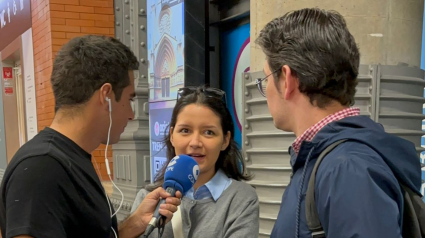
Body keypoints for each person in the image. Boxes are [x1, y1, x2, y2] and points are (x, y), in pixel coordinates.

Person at [254, 8, 421, 238]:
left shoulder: (347, 169)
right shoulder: (324, 159)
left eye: (266, 79)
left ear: (287, 79)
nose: (266, 91)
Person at [0, 35, 181, 238]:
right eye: (130, 99)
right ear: (106, 97)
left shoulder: (69, 158)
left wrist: (134, 223)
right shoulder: (40, 170)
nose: (131, 114)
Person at [131, 86, 259, 238]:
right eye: (185, 130)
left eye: (208, 132)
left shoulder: (241, 199)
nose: (195, 142)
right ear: (172, 135)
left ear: (225, 140)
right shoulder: (148, 198)